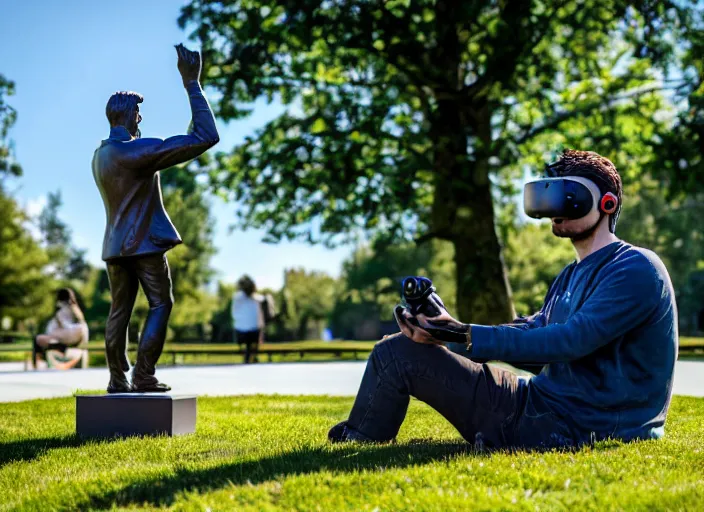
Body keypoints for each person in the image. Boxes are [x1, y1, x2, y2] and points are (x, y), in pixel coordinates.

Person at [329, 149, 678, 451]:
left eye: (566, 194)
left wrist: (463, 334)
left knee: (393, 357)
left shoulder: (636, 267)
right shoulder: (570, 274)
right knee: (397, 349)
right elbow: (536, 336)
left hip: (578, 427)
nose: (553, 206)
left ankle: (360, 439)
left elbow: (571, 340)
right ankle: (359, 436)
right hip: (540, 405)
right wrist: (446, 331)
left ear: (607, 203)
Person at [92, 44, 219, 393]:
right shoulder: (133, 151)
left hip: (115, 246)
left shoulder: (101, 155)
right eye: (138, 112)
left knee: (119, 312)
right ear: (127, 115)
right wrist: (192, 84)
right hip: (142, 243)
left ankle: (118, 379)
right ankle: (144, 374)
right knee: (161, 303)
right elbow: (205, 137)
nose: (141, 119)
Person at [34, 288, 89, 369]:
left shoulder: (62, 310)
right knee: (41, 340)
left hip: (68, 335)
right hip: (75, 335)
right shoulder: (75, 309)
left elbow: (66, 326)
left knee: (38, 339)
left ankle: (39, 362)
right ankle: (45, 358)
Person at [232, 275, 265, 364]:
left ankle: (247, 357)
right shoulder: (257, 298)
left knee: (245, 342)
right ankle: (251, 357)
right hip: (253, 330)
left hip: (241, 330)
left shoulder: (237, 297)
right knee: (253, 343)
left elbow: (234, 314)